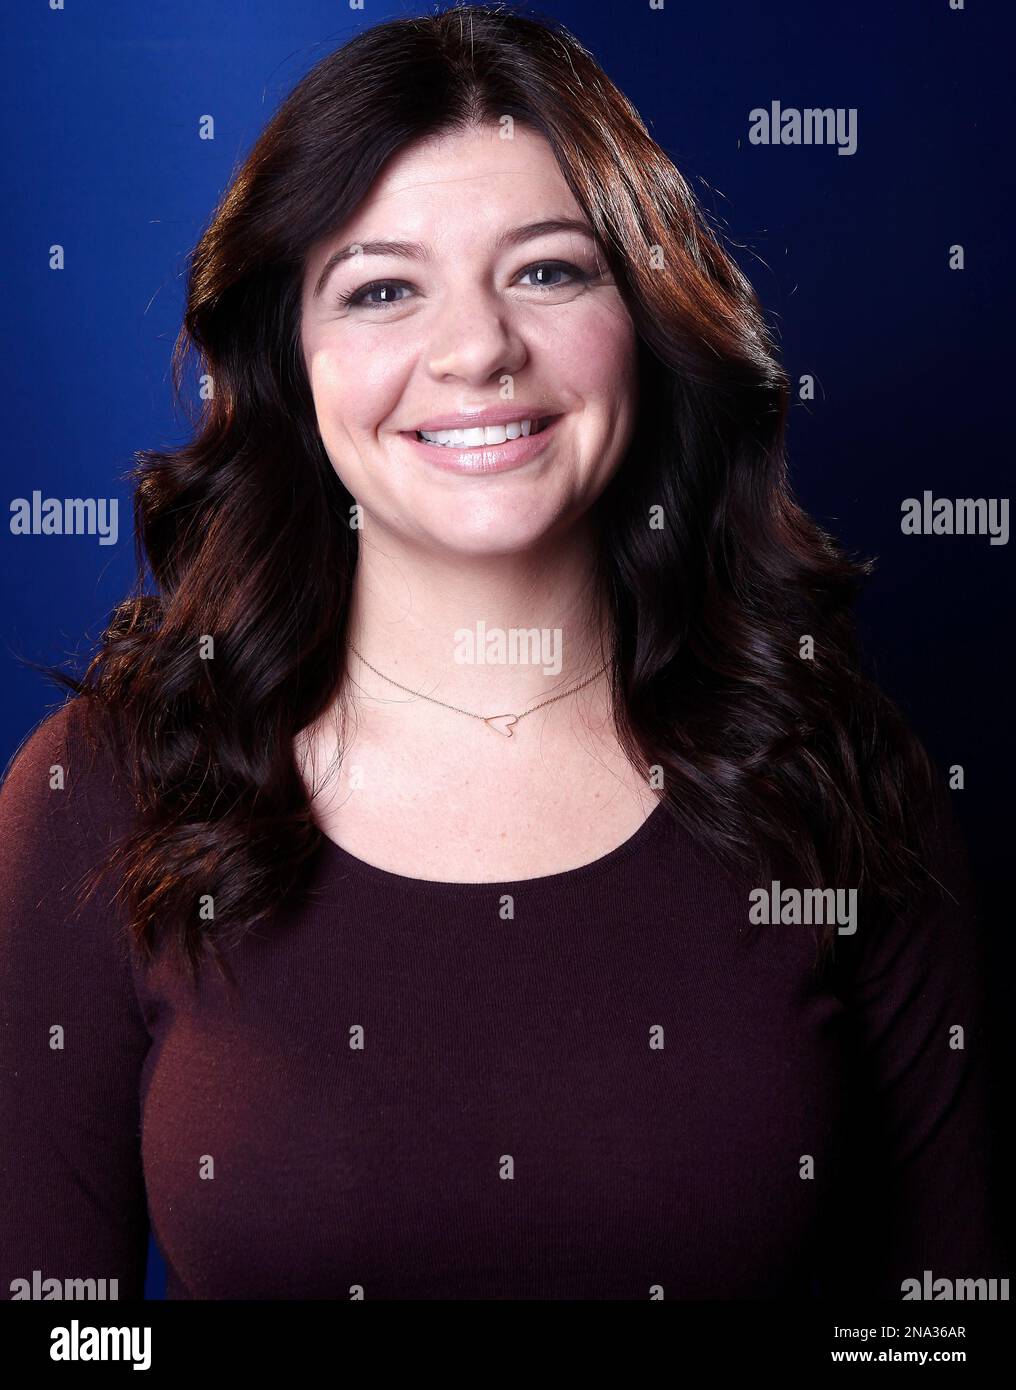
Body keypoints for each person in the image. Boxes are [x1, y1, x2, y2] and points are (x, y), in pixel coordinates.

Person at [0, 4, 1003, 1300]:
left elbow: (944, 1334)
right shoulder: (103, 794)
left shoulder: (843, 775)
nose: (476, 348)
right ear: (290, 356)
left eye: (547, 270)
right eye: (381, 287)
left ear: (646, 316)